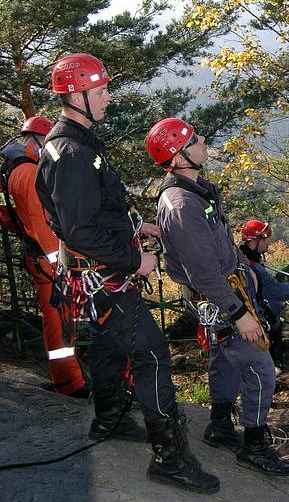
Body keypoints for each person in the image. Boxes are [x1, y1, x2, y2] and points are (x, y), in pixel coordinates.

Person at [35, 54, 219, 495]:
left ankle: (107, 419)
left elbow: (96, 211)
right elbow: (82, 228)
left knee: (107, 346)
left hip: (94, 274)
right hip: (106, 276)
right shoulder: (75, 152)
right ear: (75, 96)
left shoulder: (72, 143)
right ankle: (169, 458)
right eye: (99, 91)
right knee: (152, 355)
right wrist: (136, 260)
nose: (107, 97)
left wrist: (139, 227)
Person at [146, 117, 289, 476]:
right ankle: (254, 444)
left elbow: (223, 245)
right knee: (260, 367)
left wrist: (248, 270)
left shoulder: (199, 190)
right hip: (219, 297)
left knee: (224, 360)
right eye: (195, 138)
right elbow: (202, 272)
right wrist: (239, 313)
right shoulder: (182, 204)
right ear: (180, 156)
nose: (203, 139)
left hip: (226, 290)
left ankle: (220, 426)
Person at [0, 116, 89, 397]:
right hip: (50, 262)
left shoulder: (7, 172)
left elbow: (9, 218)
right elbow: (42, 223)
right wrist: (61, 263)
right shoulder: (27, 174)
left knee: (55, 320)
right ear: (38, 139)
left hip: (36, 257)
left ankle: (67, 381)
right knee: (60, 320)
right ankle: (72, 384)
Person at [239, 219, 289, 367]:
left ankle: (276, 355)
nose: (267, 244)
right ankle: (274, 366)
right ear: (254, 241)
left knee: (275, 332)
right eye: (264, 241)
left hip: (255, 313)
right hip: (262, 319)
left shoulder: (242, 257)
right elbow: (279, 292)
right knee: (270, 343)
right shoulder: (255, 268)